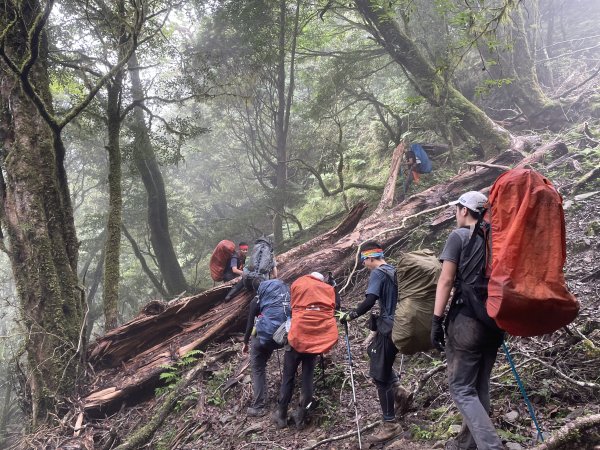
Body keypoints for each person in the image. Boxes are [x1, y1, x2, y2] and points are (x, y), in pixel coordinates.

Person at [431, 191, 504, 450]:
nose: (455, 214)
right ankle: (469, 444)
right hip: (494, 322)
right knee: (479, 385)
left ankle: (491, 446)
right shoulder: (498, 238)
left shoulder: (459, 236)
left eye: (457, 209)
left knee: (462, 388)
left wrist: (436, 320)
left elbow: (446, 280)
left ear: (464, 210)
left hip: (466, 323)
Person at [339, 241, 411, 443]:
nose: (364, 264)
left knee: (380, 377)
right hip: (401, 325)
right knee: (378, 357)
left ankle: (390, 425)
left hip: (389, 327)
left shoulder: (378, 273)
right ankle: (400, 391)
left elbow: (370, 300)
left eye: (364, 260)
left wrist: (350, 315)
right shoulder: (394, 270)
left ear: (370, 258)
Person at [272, 272, 340, 430]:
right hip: (315, 341)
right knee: (307, 379)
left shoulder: (299, 285)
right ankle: (301, 417)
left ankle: (281, 415)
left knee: (288, 378)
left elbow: (291, 308)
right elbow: (335, 308)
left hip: (296, 339)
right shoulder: (327, 290)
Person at [242, 278, 290, 417]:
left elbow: (250, 324)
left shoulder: (256, 300)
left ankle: (259, 406)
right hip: (284, 334)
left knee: (258, 367)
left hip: (266, 338)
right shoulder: (283, 296)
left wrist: (245, 342)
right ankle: (286, 399)